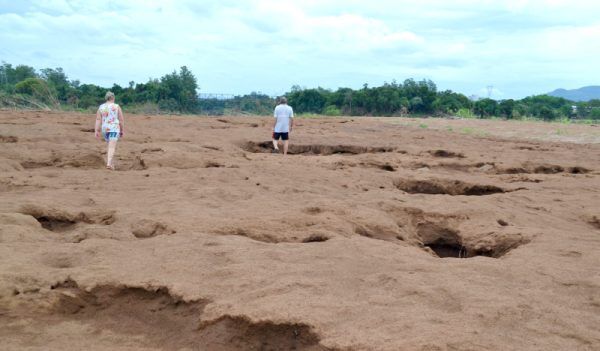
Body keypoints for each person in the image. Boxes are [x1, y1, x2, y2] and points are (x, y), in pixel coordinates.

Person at [94, 91, 124, 170]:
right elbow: (121, 120)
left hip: (105, 129)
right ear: (113, 98)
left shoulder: (101, 107)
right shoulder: (116, 106)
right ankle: (109, 164)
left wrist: (96, 130)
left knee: (110, 146)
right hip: (114, 129)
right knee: (111, 147)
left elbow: (98, 119)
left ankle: (112, 164)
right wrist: (122, 130)